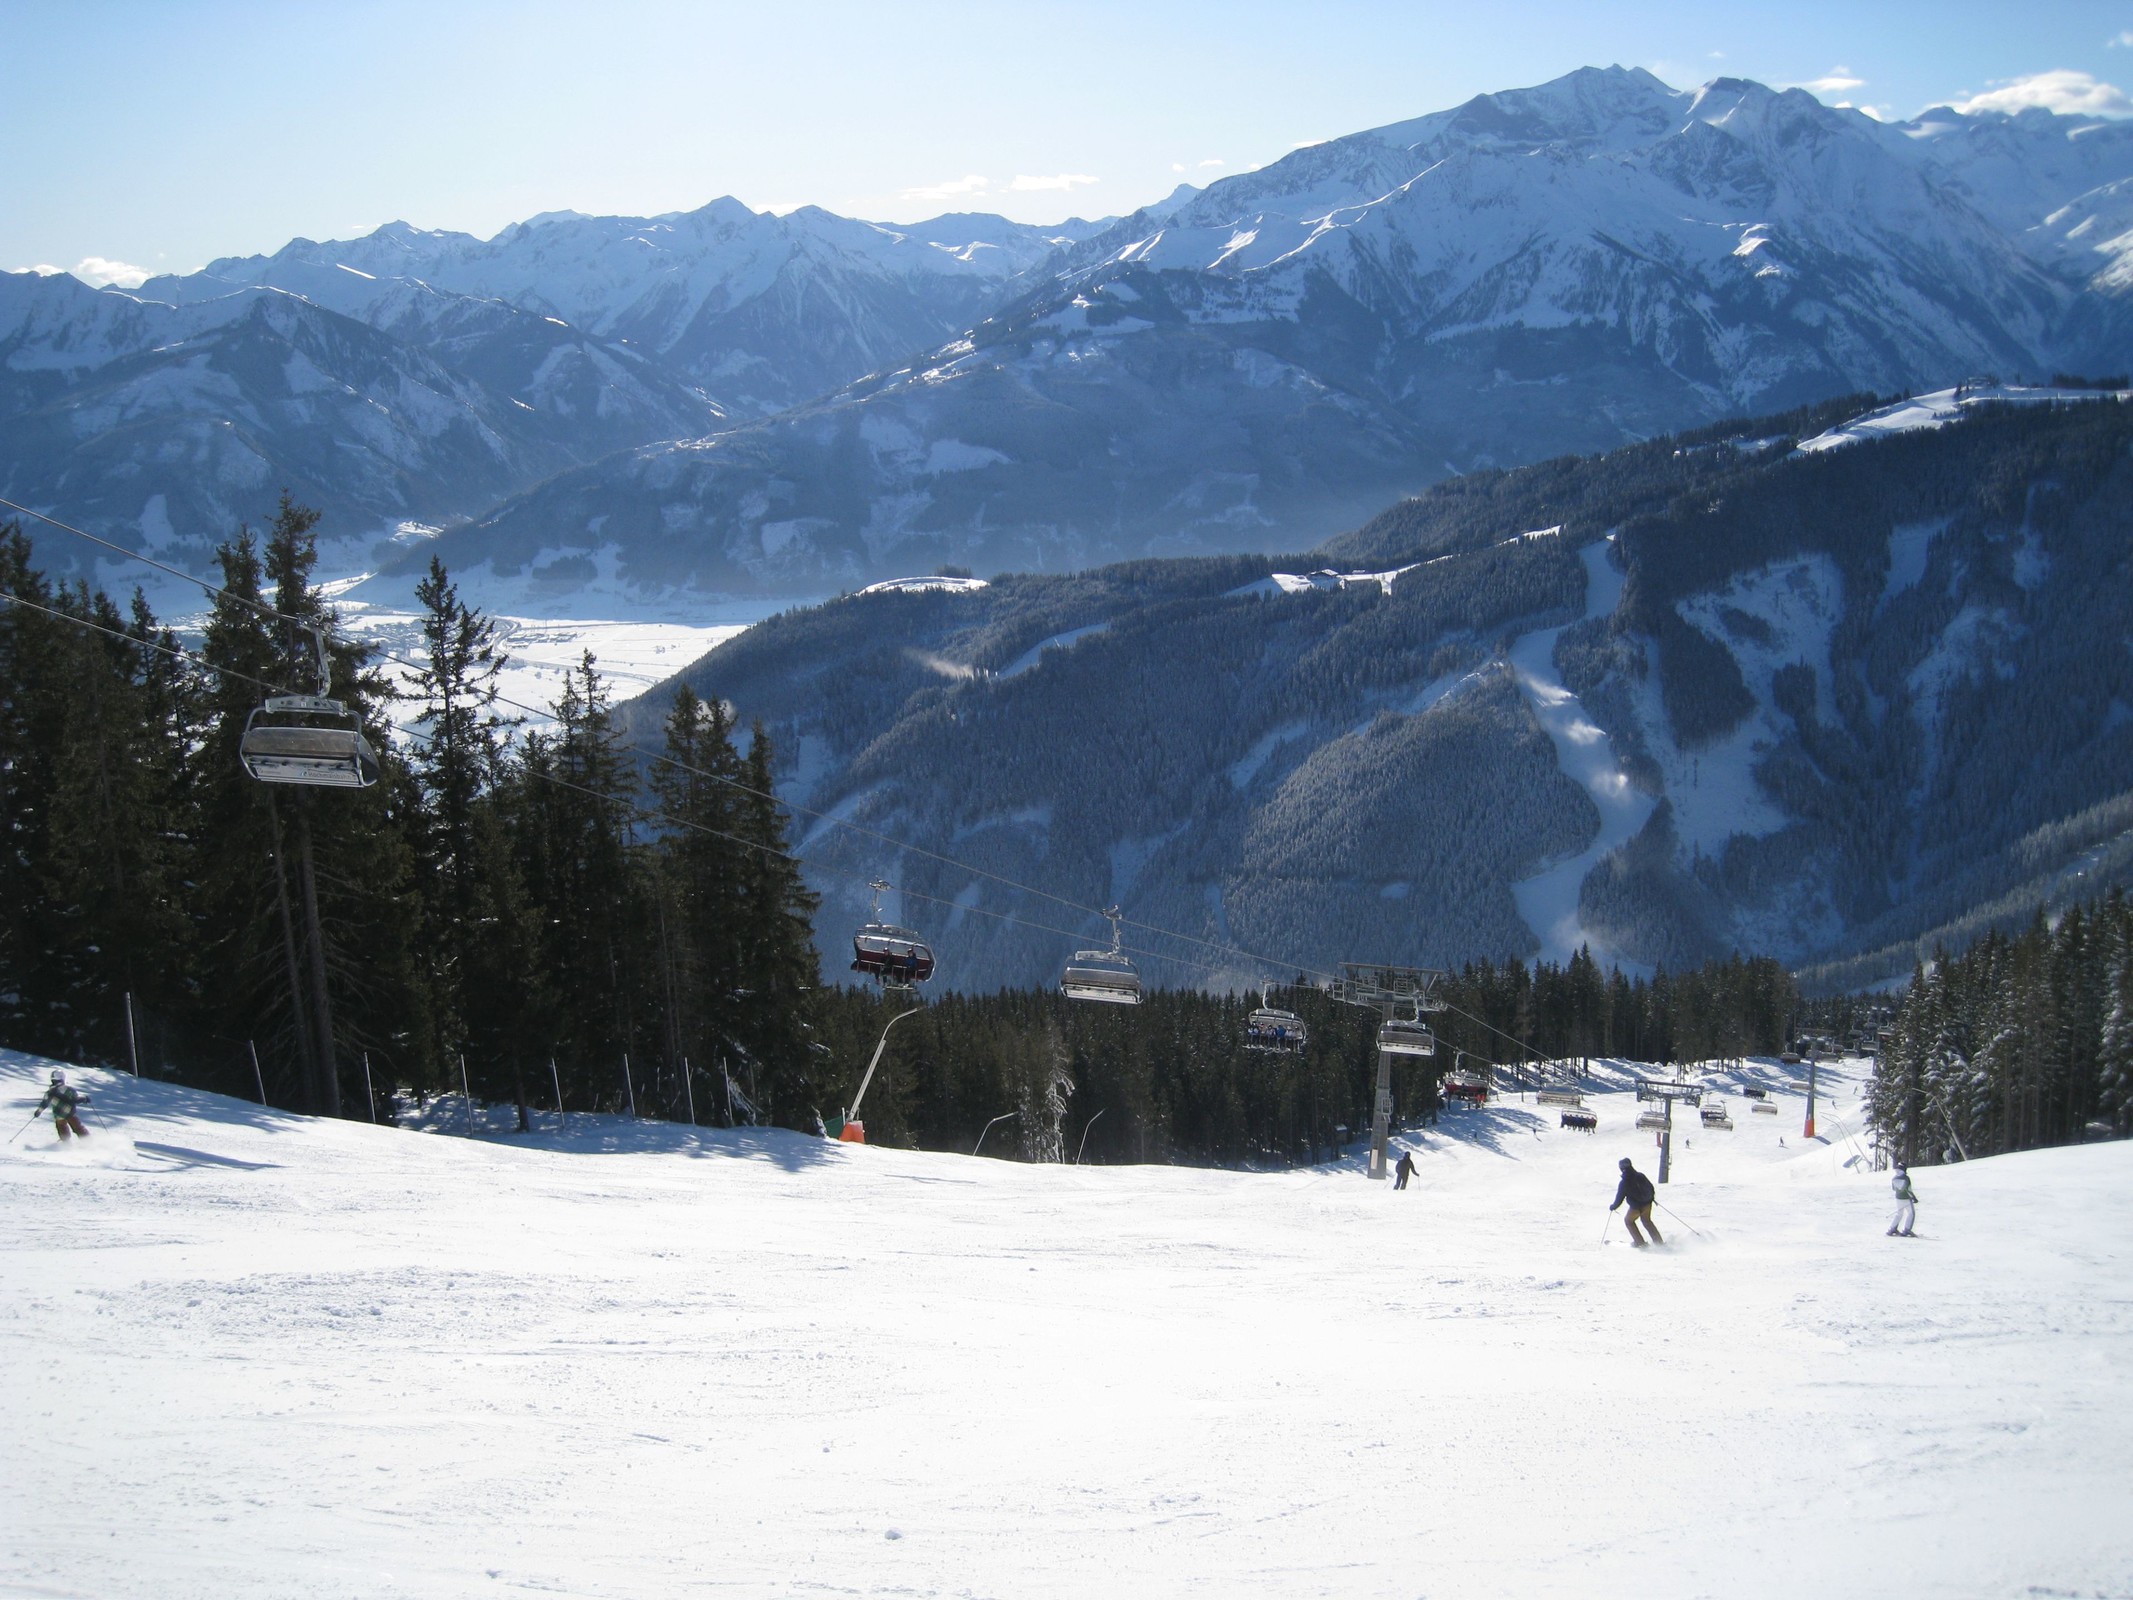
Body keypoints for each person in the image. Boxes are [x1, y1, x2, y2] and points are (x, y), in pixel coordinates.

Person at [1610, 1156, 1662, 1245]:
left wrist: (1613, 1206)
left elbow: (1620, 1197)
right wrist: (1651, 1198)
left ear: (1621, 1168)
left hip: (1635, 1207)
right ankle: (1659, 1242)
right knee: (1647, 1221)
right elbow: (1651, 1187)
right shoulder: (1641, 1176)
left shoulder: (1624, 1182)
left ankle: (1639, 1243)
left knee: (1628, 1221)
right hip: (1647, 1204)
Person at [34, 1070, 89, 1140]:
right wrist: (84, 1099)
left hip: (58, 1115)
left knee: (62, 1128)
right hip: (70, 1113)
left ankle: (65, 1143)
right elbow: (75, 1099)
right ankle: (87, 1141)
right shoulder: (69, 1089)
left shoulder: (50, 1092)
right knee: (78, 1128)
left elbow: (44, 1103)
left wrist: (39, 1111)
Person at [1888, 1167, 1917, 1237]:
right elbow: (1908, 1189)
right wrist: (1914, 1197)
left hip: (1898, 1198)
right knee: (1911, 1213)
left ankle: (1892, 1228)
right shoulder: (1906, 1178)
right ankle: (1907, 1229)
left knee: (1899, 1213)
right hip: (1906, 1198)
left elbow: (1894, 1188)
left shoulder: (1894, 1178)